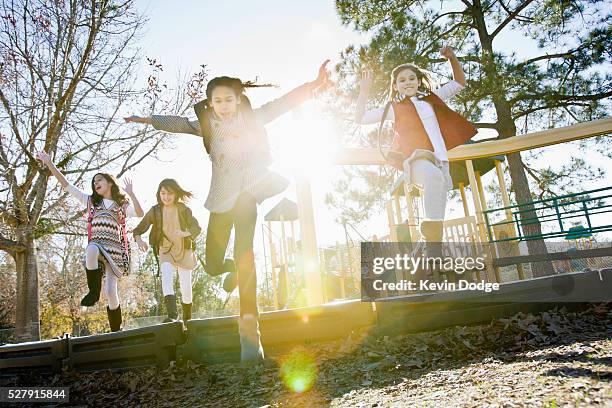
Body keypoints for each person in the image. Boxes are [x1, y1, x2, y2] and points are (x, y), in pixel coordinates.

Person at [124, 60, 331, 363]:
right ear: (210, 104)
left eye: (228, 100)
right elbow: (180, 123)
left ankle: (250, 333)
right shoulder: (207, 126)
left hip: (248, 194)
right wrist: (148, 120)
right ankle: (230, 269)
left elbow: (284, 104)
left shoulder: (254, 119)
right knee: (211, 263)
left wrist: (313, 85)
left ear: (238, 100)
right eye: (217, 101)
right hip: (221, 199)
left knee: (246, 254)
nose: (223, 106)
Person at [354, 47, 477, 256]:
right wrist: (364, 90)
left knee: (438, 190)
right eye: (402, 80)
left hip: (439, 160)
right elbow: (361, 118)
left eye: (412, 78)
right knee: (433, 177)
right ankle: (431, 243)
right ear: (395, 86)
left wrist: (451, 57)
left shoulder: (433, 98)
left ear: (419, 81)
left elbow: (459, 83)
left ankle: (431, 246)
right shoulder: (395, 107)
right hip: (414, 158)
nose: (408, 82)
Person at [37, 151, 144, 332]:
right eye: (93, 182)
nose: (96, 184)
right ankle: (93, 291)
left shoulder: (120, 206)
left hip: (115, 251)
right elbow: (67, 185)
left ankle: (116, 330)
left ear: (109, 182)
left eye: (99, 180)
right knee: (91, 249)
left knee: (111, 292)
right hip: (98, 245)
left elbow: (140, 213)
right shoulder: (91, 203)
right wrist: (50, 164)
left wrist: (132, 194)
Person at [133, 179, 201, 323]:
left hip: (184, 249)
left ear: (176, 194)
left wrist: (186, 233)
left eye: (170, 193)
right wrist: (139, 240)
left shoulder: (183, 209)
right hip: (165, 249)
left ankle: (187, 319)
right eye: (163, 193)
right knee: (166, 275)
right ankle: (172, 315)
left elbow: (196, 227)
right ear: (159, 194)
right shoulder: (155, 210)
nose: (166, 196)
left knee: (186, 287)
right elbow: (139, 229)